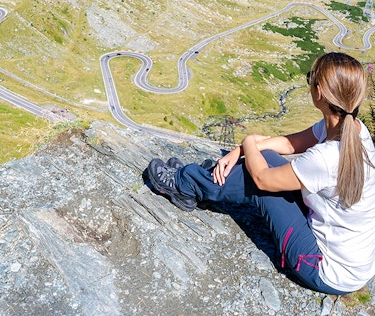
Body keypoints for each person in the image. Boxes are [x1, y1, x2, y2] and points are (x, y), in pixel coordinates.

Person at [145, 52, 375, 294]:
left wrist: (247, 141)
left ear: (319, 93)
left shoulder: (327, 157)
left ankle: (184, 185)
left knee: (263, 184)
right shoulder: (354, 130)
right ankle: (209, 175)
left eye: (311, 78)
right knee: (264, 158)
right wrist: (244, 148)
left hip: (324, 268)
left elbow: (262, 180)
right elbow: (290, 144)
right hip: (352, 264)